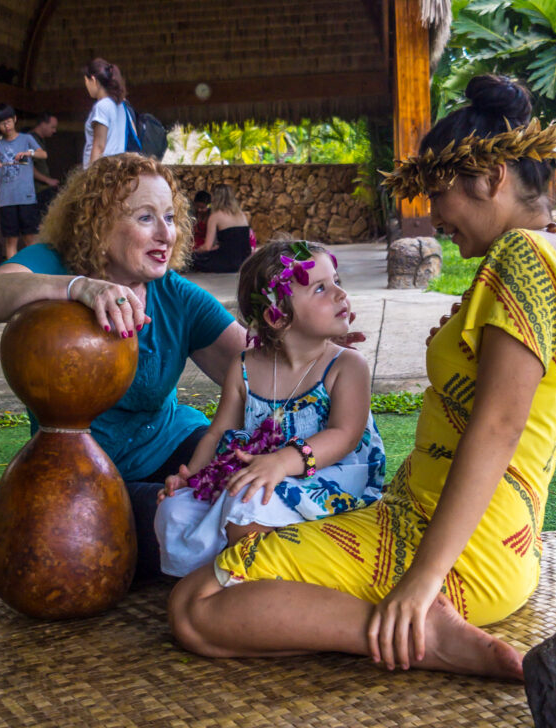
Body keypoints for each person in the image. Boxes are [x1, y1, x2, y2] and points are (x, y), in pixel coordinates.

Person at [167, 74, 556, 679]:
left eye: (440, 195)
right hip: (450, 533)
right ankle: (408, 616)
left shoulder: (521, 259)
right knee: (231, 565)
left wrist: (420, 584)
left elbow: (499, 426)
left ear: (491, 180)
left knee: (194, 605)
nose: (433, 216)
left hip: (453, 553)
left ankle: (421, 633)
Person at [0, 153, 246, 577]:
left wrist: (314, 343)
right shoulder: (56, 265)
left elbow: (256, 369)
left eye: (170, 218)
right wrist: (78, 288)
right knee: (183, 526)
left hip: (176, 444)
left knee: (250, 489)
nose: (165, 234)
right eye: (145, 218)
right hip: (89, 476)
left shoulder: (175, 294)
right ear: (99, 225)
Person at [154, 239, 386, 577]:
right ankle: (228, 571)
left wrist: (282, 461)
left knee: (247, 501)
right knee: (173, 510)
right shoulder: (245, 366)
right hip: (264, 473)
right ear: (277, 317)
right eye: (321, 288)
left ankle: (259, 579)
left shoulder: (347, 365)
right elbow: (218, 430)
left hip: (332, 475)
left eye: (337, 281)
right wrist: (193, 475)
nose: (340, 295)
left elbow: (345, 435)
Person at [0, 103, 47, 261]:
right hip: (6, 199)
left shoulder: (27, 139)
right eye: (1, 123)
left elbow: (43, 154)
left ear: (14, 119)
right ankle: (12, 275)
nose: (6, 125)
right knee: (11, 239)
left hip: (26, 196)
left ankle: (34, 269)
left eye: (8, 121)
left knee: (30, 238)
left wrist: (29, 152)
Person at [191, 183, 252, 273]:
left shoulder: (215, 216)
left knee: (192, 259)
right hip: (244, 261)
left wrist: (195, 252)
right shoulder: (241, 214)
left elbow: (207, 247)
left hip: (226, 262)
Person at [83, 58, 128, 167]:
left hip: (103, 171)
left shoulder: (101, 107)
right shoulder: (121, 104)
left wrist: (91, 177)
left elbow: (99, 146)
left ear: (93, 80)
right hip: (117, 167)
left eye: (86, 81)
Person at [30, 112, 60, 214]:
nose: (54, 130)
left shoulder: (40, 140)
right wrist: (48, 180)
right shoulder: (31, 140)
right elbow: (28, 167)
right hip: (37, 191)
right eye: (52, 127)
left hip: (43, 189)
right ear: (43, 124)